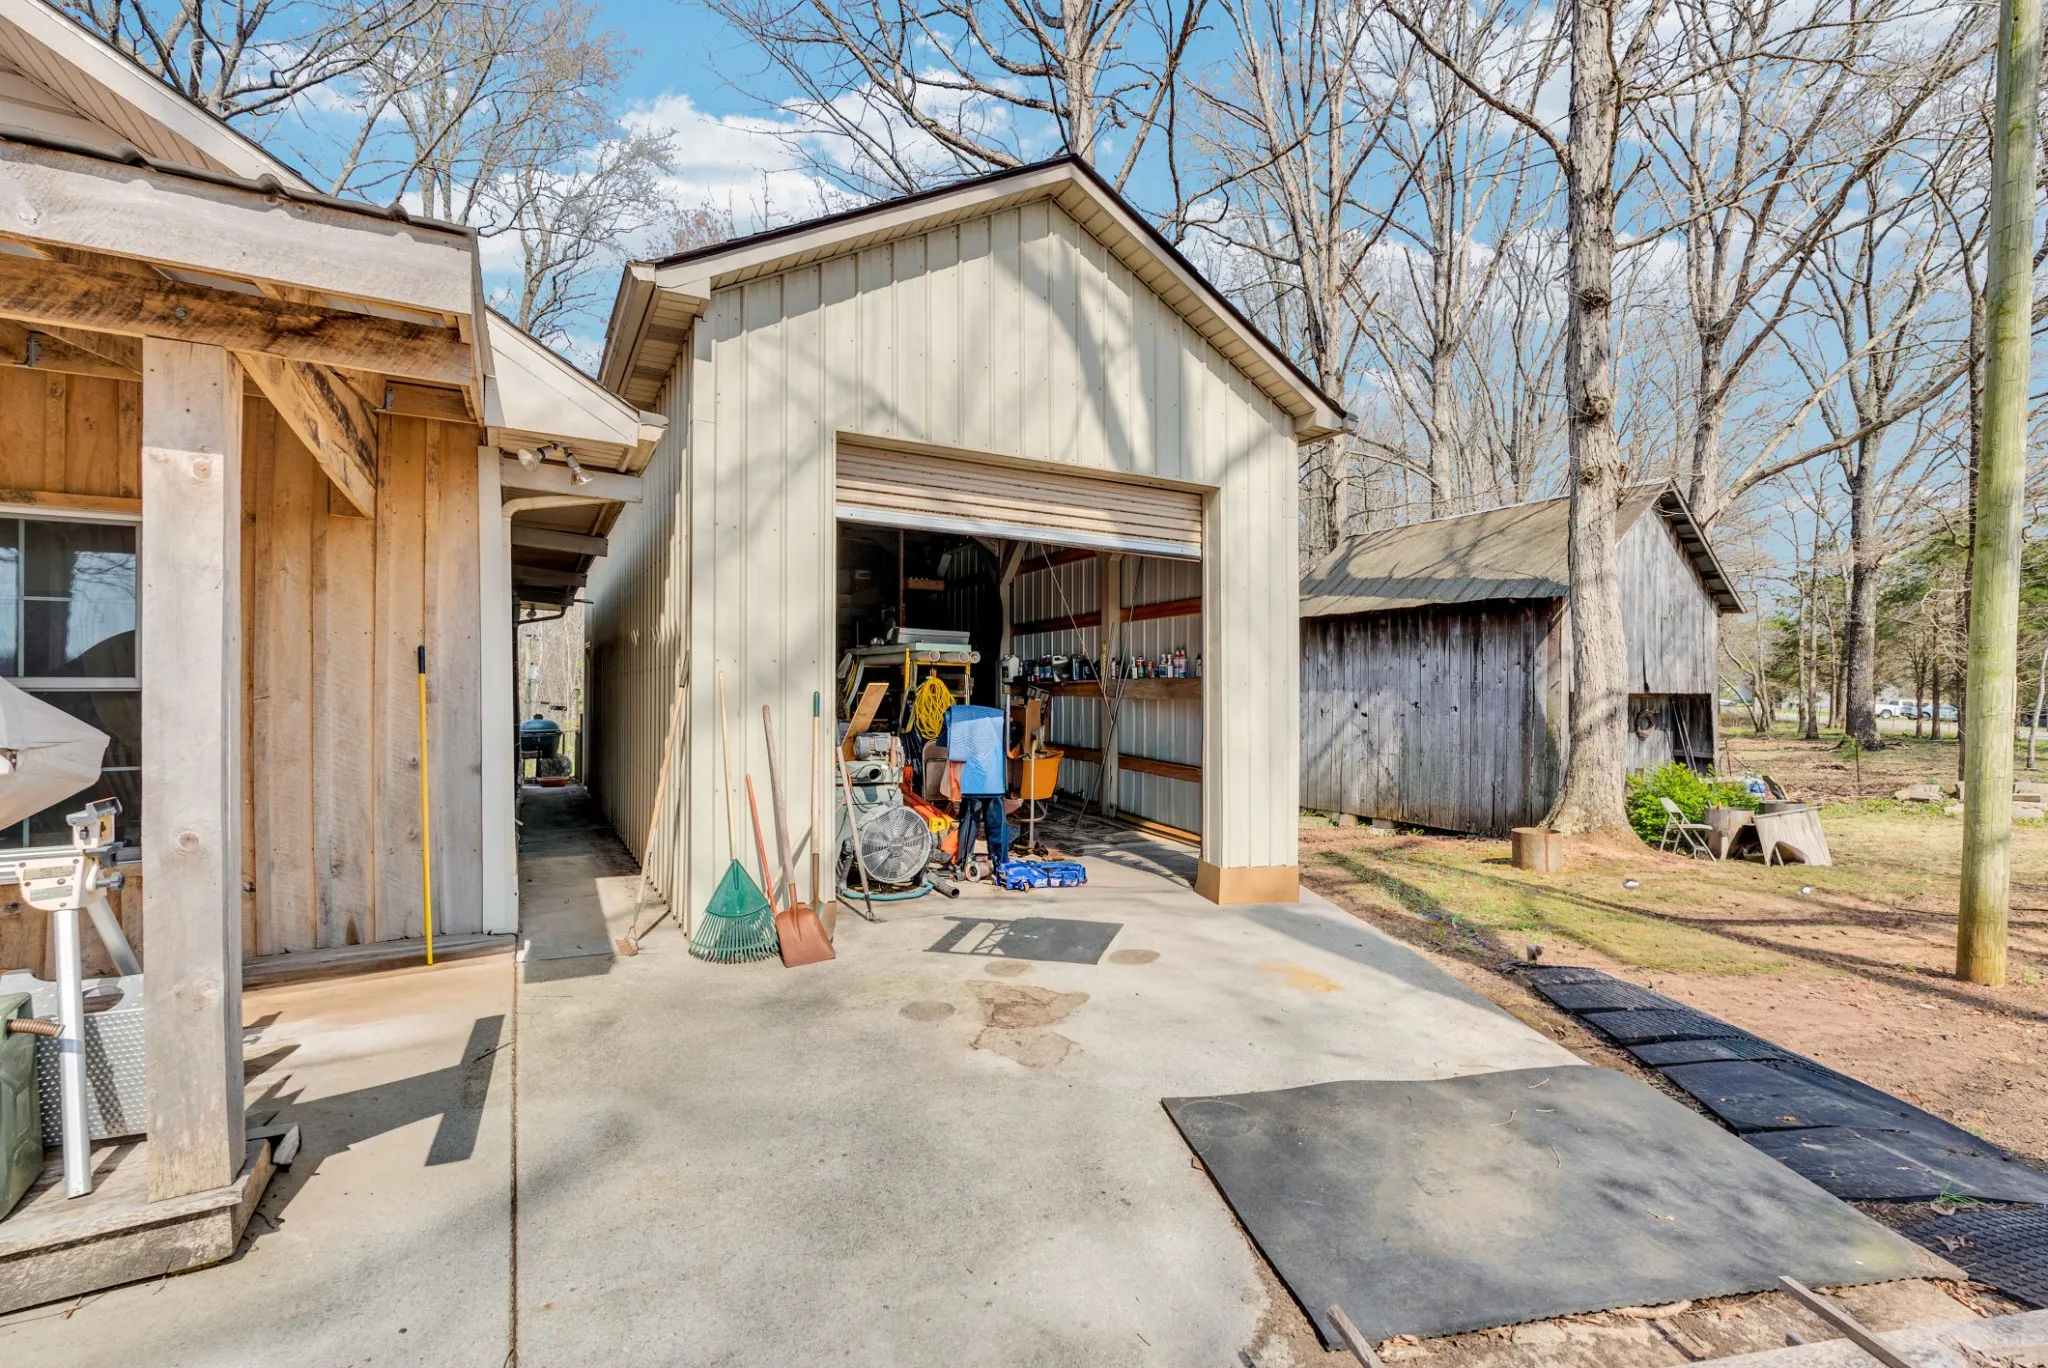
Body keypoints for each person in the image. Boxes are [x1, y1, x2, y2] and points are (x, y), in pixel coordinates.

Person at [943, 702, 1008, 878]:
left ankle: (963, 861)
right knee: (996, 825)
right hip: (994, 782)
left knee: (969, 823)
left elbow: (950, 749)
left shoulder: (961, 725)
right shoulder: (998, 725)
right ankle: (1001, 864)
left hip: (973, 783)